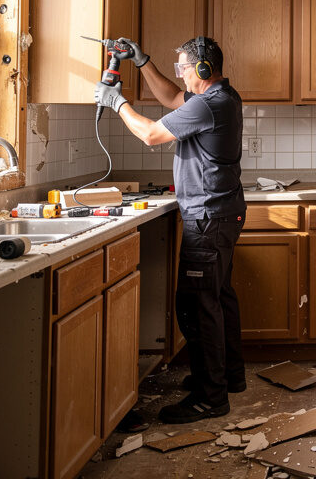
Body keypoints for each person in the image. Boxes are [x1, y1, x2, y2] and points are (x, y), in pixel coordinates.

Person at [95, 36, 247, 424]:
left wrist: (117, 102)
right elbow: (170, 99)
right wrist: (142, 61)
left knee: (198, 306)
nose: (179, 74)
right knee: (218, 298)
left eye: (183, 68)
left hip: (208, 217)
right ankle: (228, 377)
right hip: (219, 214)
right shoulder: (219, 97)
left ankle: (210, 397)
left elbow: (150, 134)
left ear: (202, 69)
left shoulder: (209, 104)